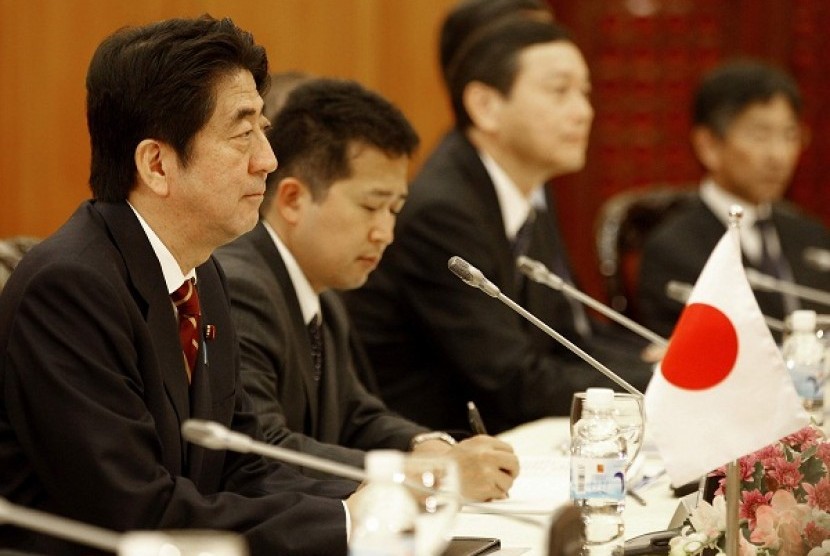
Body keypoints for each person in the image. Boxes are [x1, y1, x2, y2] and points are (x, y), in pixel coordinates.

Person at [0, 16, 362, 555]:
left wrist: (376, 498)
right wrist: (342, 524)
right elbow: (136, 511)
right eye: (243, 134)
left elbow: (239, 459)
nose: (267, 159)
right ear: (156, 164)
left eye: (263, 128)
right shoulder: (69, 290)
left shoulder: (197, 269)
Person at [342, 0, 654, 435]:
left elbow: (565, 336)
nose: (584, 111)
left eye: (584, 92)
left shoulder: (526, 189)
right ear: (486, 105)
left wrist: (656, 360)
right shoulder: (444, 211)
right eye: (559, 91)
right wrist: (666, 384)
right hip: (439, 453)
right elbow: (513, 382)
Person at [215, 77, 519, 502]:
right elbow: (263, 449)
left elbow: (355, 415)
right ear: (292, 200)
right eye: (371, 206)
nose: (386, 233)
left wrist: (426, 446)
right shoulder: (241, 286)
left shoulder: (322, 291)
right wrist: (427, 476)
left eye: (395, 209)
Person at [638, 59, 830, 339]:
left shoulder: (812, 236)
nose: (779, 155)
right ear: (709, 146)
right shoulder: (673, 250)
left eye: (790, 135)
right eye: (760, 135)